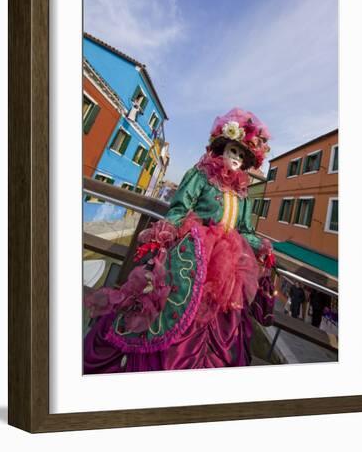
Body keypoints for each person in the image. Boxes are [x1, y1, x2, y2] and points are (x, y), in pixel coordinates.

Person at [84, 108, 276, 373]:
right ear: (223, 149)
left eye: (241, 155)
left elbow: (244, 230)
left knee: (222, 319)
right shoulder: (201, 176)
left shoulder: (242, 194)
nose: (236, 158)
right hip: (195, 253)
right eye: (233, 150)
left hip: (228, 266)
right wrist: (162, 235)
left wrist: (261, 246)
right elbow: (179, 209)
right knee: (169, 306)